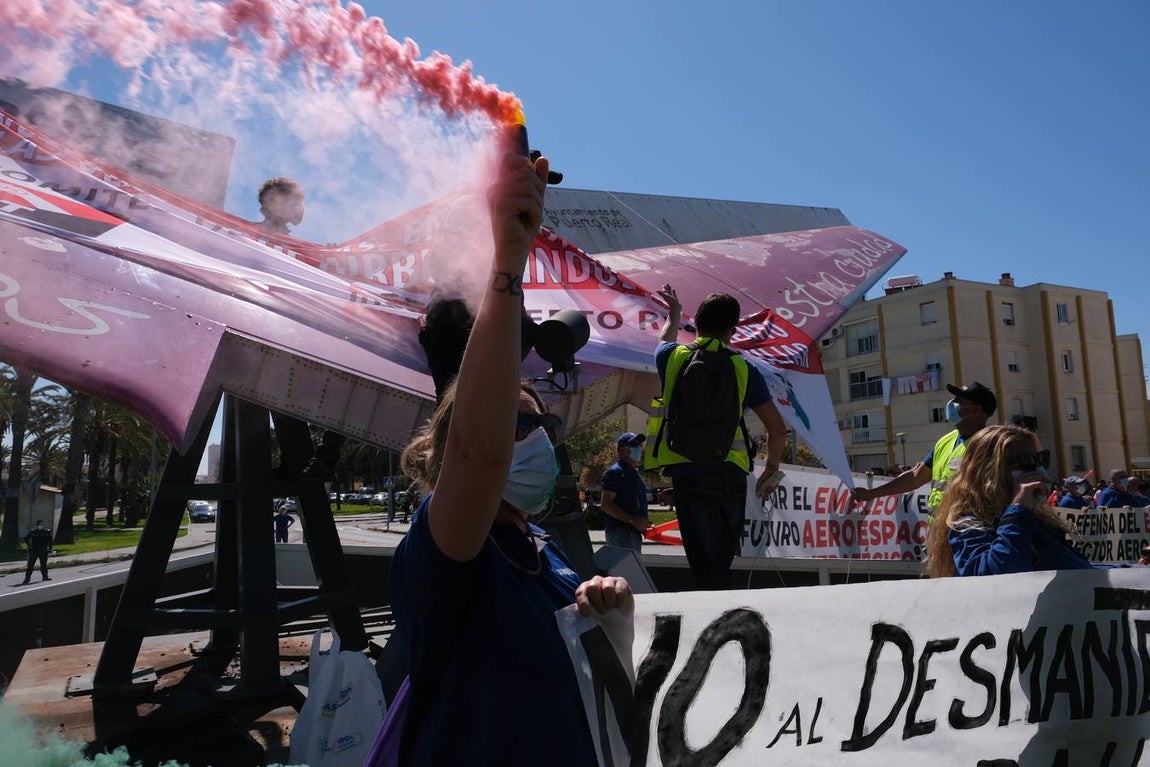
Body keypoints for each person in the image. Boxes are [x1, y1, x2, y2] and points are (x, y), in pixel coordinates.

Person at [389, 149, 630, 765]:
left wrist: (602, 604)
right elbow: (479, 451)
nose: (541, 438)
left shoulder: (540, 548)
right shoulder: (445, 549)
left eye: (542, 422)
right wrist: (506, 267)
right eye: (519, 424)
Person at [648, 285, 787, 590]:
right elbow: (777, 430)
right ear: (732, 331)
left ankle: (711, 617)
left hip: (687, 470)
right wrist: (771, 470)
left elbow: (664, 338)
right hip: (730, 474)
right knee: (722, 560)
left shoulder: (670, 357)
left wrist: (673, 312)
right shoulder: (744, 368)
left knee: (702, 563)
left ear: (696, 322)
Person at [926, 425, 1096, 577]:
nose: (1037, 469)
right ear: (989, 470)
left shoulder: (1036, 520)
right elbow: (994, 576)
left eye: (1039, 460)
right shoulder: (967, 524)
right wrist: (1018, 510)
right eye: (1025, 462)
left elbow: (1074, 569)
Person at [852, 381, 998, 516]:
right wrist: (871, 494)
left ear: (975, 411)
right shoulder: (946, 441)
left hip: (966, 533)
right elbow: (915, 477)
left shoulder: (988, 445)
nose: (953, 403)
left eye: (960, 400)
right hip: (938, 530)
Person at [600, 432, 651, 552]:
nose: (638, 448)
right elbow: (606, 504)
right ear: (622, 450)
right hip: (620, 533)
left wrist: (644, 522)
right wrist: (632, 520)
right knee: (624, 570)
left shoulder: (633, 472)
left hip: (632, 533)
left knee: (631, 570)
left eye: (639, 445)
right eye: (633, 445)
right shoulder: (615, 472)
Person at [22, 519, 53, 584]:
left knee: (43, 565)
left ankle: (45, 577)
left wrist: (50, 549)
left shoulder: (47, 532)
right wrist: (29, 546)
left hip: (44, 550)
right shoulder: (33, 532)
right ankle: (27, 579)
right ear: (37, 525)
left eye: (41, 524)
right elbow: (26, 538)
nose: (40, 526)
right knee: (30, 565)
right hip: (34, 550)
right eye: (39, 524)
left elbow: (50, 541)